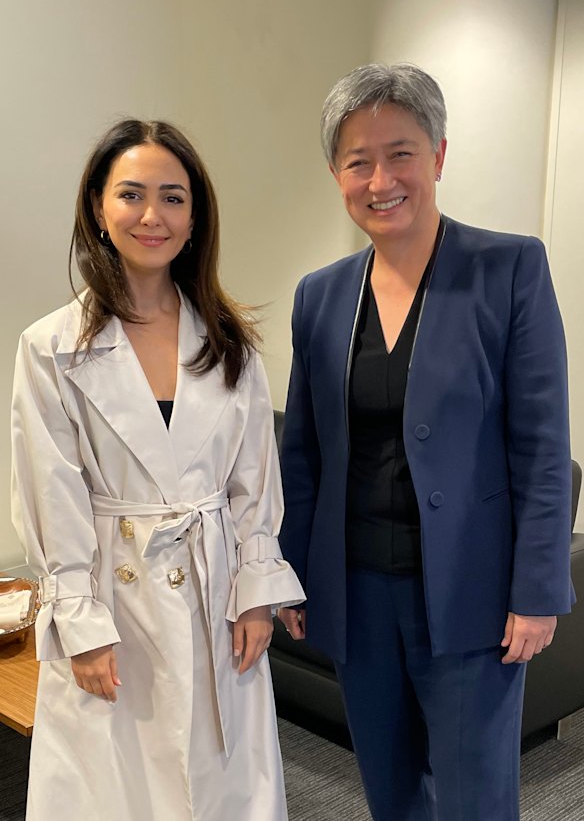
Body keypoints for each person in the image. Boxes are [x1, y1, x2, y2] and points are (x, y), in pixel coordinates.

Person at [277, 64, 573, 821]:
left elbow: (543, 447)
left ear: (438, 156)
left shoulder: (508, 268)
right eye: (358, 160)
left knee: (476, 798)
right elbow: (303, 453)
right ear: (338, 175)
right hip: (357, 593)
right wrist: (290, 572)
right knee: (391, 789)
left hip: (472, 597)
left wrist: (538, 590)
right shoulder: (320, 294)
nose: (381, 178)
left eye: (401, 152)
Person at [11, 118, 305, 821]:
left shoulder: (231, 343)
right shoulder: (51, 347)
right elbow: (51, 492)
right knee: (115, 788)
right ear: (97, 210)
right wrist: (79, 623)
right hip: (117, 603)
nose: (153, 216)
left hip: (215, 595)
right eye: (132, 195)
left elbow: (252, 484)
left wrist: (258, 591)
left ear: (196, 217)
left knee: (221, 783)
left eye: (173, 198)